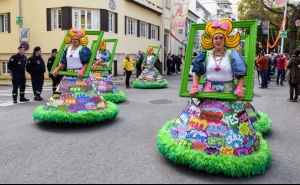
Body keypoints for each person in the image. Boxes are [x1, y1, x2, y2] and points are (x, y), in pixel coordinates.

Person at [156, 19, 272, 177]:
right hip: (207, 92)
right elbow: (197, 72)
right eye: (215, 38)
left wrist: (239, 88)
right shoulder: (205, 55)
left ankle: (230, 152)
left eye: (221, 38)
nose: (218, 40)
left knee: (230, 125)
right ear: (212, 40)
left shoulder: (232, 54)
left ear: (225, 40)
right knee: (199, 122)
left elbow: (240, 74)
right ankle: (197, 147)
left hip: (228, 93)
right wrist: (195, 86)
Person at [32, 28, 119, 124]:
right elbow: (64, 63)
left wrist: (82, 70)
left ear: (80, 40)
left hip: (81, 77)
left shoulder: (83, 49)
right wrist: (57, 69)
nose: (74, 40)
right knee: (63, 96)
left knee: (85, 96)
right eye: (73, 38)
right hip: (68, 76)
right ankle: (63, 111)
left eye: (76, 39)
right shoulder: (67, 49)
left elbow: (87, 62)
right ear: (70, 39)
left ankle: (88, 111)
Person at [90, 39, 127, 103]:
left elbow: (104, 60)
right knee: (95, 81)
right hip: (96, 70)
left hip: (104, 69)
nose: (98, 47)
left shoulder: (106, 53)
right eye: (97, 45)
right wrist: (96, 62)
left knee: (105, 82)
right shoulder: (96, 53)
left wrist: (96, 62)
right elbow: (93, 60)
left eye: (99, 45)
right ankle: (95, 94)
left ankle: (105, 94)